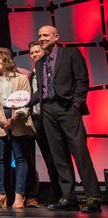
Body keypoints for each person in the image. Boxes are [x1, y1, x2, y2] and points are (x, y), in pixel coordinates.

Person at [31, 25, 102, 213]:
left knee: (79, 151)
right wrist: (21, 101)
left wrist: (77, 103)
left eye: (46, 35)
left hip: (67, 108)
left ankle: (93, 196)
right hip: (48, 110)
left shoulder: (70, 54)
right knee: (58, 155)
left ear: (56, 37)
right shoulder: (40, 63)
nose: (42, 38)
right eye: (39, 36)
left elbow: (82, 79)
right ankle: (68, 197)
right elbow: (42, 90)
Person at [0, 50, 34, 208]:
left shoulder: (21, 78)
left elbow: (26, 100)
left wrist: (15, 118)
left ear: (7, 59)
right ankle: (0, 194)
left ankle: (19, 196)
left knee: (20, 158)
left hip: (17, 118)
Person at [23, 41, 62, 207]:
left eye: (36, 51)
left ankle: (64, 192)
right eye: (31, 53)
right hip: (38, 118)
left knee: (58, 156)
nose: (34, 55)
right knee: (47, 156)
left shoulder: (49, 68)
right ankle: (56, 192)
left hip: (51, 116)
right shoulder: (33, 72)